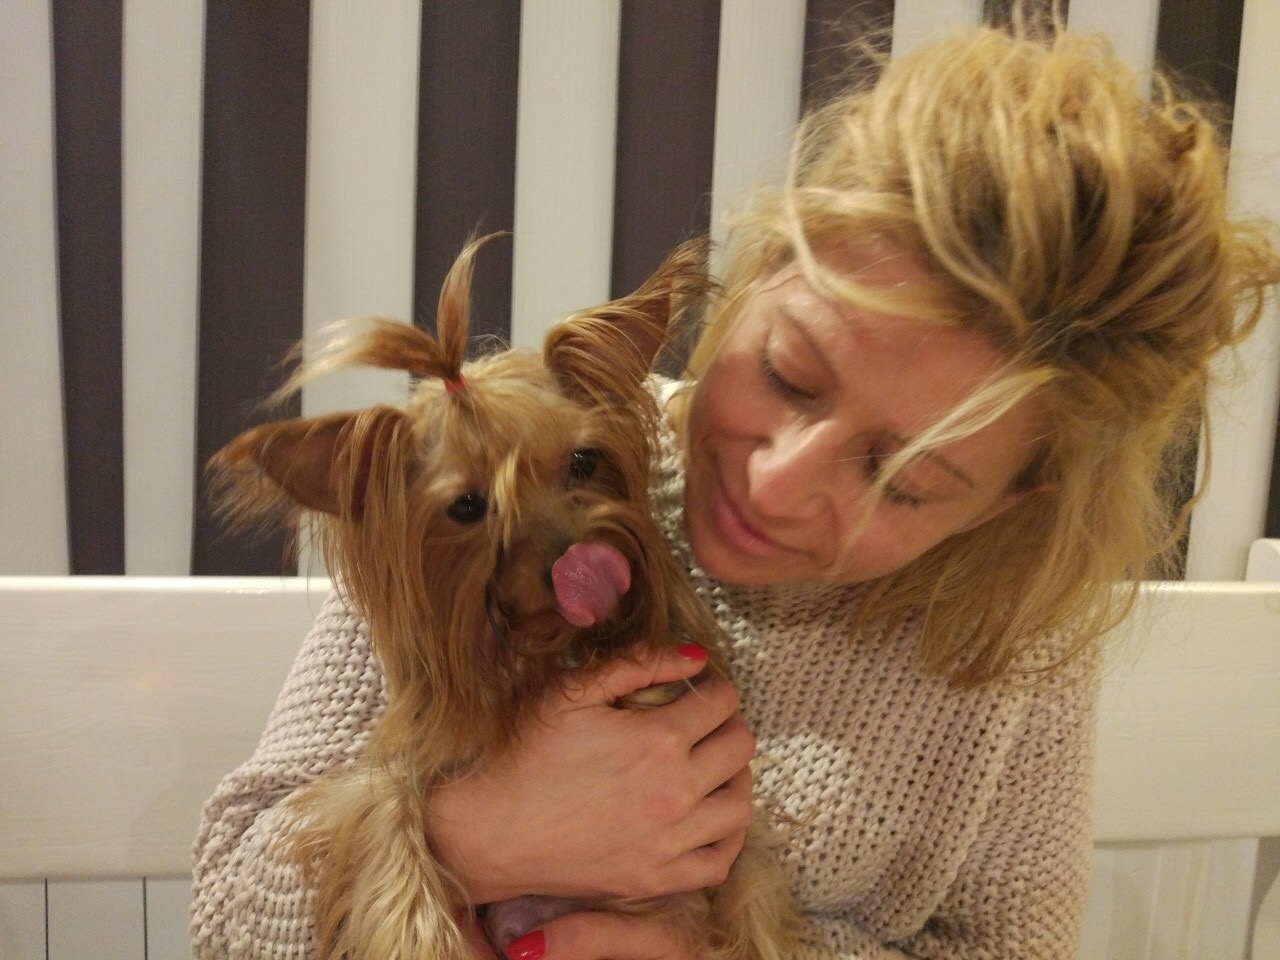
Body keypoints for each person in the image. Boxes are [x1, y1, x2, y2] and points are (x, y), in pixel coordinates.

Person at [191, 12, 1279, 960]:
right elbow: (230, 915)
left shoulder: (1004, 640)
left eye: (903, 480)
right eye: (789, 374)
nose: (777, 481)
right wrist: (475, 839)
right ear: (758, 273)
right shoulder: (482, 493)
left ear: (1008, 504)